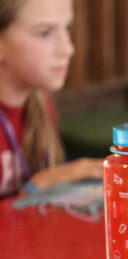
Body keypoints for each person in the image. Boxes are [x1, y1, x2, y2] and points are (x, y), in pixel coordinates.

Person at [0, 0, 102, 198]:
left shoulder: (41, 104)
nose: (68, 49)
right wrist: (40, 183)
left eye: (67, 28)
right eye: (45, 33)